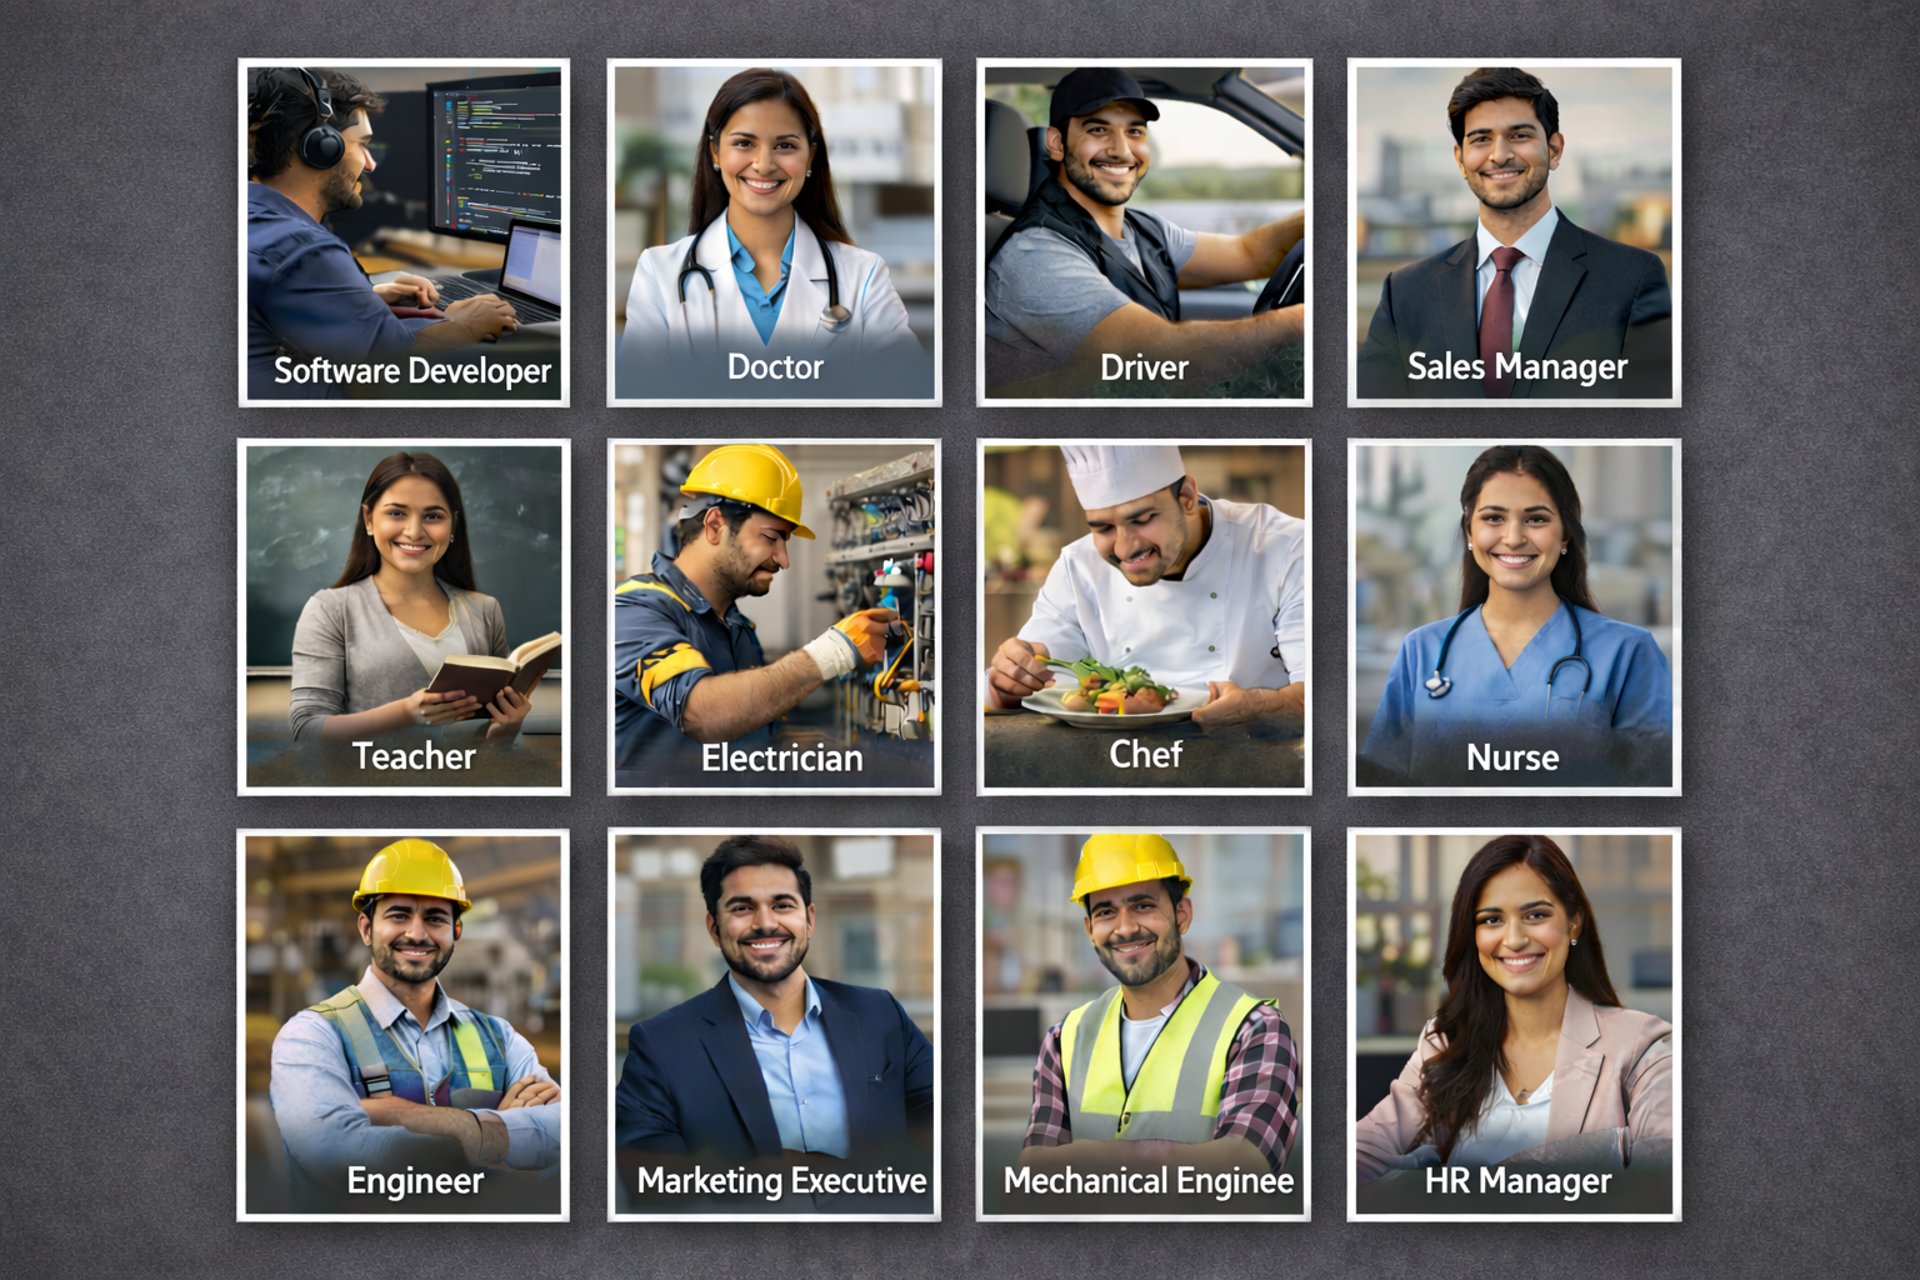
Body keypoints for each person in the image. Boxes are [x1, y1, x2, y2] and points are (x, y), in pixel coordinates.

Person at [614, 836, 934, 1208]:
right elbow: (652, 1184)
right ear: (714, 928)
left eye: (782, 905)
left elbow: (948, 1136)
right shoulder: (662, 1044)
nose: (765, 923)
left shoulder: (880, 1014)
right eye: (742, 908)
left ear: (809, 919)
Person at [1354, 835, 1672, 1180]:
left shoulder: (1642, 1048)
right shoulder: (1446, 1041)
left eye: (1535, 915)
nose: (1515, 939)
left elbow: (1663, 1176)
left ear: (1574, 922)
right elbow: (1359, 1156)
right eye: (1492, 920)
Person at [268, 839, 562, 1211]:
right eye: (399, 915)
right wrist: (501, 1132)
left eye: (435, 918)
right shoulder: (311, 1036)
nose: (417, 933)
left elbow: (566, 1133)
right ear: (366, 928)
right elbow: (339, 1156)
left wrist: (408, 1117)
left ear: (456, 931)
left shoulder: (498, 1037)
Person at [1358, 445, 1672, 786]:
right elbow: (1384, 789)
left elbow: (1651, 790)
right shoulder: (1421, 651)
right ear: (1469, 531)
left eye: (1536, 519)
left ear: (1565, 534)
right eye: (1494, 518)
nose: (1513, 538)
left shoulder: (1627, 653)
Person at [985, 67, 1305, 396]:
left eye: (1135, 131)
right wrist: (1300, 322)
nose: (1122, 150)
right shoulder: (1035, 253)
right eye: (1098, 129)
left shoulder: (1144, 230)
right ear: (1057, 143)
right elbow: (1164, 359)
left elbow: (1248, 253)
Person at [1356, 66, 1672, 399]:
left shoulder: (1632, 279)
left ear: (1554, 149)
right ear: (1461, 160)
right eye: (1481, 139)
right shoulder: (1404, 294)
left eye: (1519, 136)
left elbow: (1653, 413)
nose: (1500, 155)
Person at [617, 68, 926, 397]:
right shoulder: (660, 273)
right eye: (744, 143)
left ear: (810, 156)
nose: (764, 164)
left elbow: (907, 397)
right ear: (715, 151)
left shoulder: (863, 277)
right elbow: (641, 404)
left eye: (785, 146)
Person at [1016, 834, 1300, 1180]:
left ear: (1182, 915)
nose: (1125, 928)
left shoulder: (1254, 1030)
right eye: (1106, 912)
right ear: (1090, 929)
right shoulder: (1065, 1040)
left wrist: (1092, 1163)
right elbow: (1033, 1178)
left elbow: (1245, 1169)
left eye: (1143, 906)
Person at [613, 443, 898, 782]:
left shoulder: (736, 626)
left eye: (785, 542)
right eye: (771, 537)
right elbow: (702, 713)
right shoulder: (632, 610)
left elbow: (746, 735)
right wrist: (833, 652)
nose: (783, 560)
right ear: (714, 526)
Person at [986, 444, 1306, 730]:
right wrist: (1011, 679)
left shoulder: (1287, 548)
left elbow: (1324, 695)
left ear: (1187, 497)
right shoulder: (1078, 568)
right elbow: (1030, 682)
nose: (1125, 548)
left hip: (1252, 761)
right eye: (1103, 528)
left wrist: (1259, 707)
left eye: (1142, 520)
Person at [246, 68, 517, 399]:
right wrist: (464, 324)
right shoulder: (304, 250)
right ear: (319, 148)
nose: (370, 163)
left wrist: (359, 299)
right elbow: (390, 370)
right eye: (362, 144)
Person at [289, 451, 535, 746]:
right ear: (369, 519)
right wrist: (406, 713)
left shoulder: (485, 610)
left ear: (453, 525)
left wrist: (506, 730)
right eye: (396, 513)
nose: (415, 532)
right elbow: (307, 730)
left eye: (433, 516)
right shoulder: (330, 610)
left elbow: (492, 739)